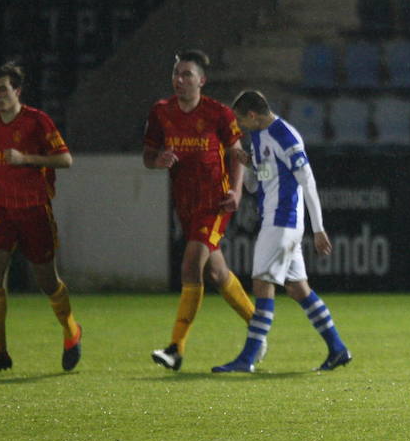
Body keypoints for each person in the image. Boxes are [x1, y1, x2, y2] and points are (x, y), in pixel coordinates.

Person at [212, 90, 351, 373]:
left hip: (282, 221)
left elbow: (308, 181)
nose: (239, 126)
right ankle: (337, 349)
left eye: (241, 120)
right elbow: (257, 184)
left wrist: (319, 228)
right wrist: (247, 165)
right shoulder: (259, 137)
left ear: (252, 115)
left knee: (263, 283)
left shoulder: (284, 136)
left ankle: (247, 359)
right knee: (298, 288)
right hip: (277, 221)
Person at [142, 50, 256, 371]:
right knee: (217, 273)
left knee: (191, 263)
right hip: (186, 205)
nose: (180, 80)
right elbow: (148, 156)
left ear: (202, 80)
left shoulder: (219, 114)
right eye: (176, 73)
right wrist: (158, 160)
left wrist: (235, 191)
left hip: (216, 203)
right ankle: (257, 327)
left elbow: (236, 154)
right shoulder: (161, 112)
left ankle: (175, 347)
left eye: (187, 74)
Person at [0, 64, 82, 373]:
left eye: (3, 89)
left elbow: (65, 159)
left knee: (47, 281)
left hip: (34, 209)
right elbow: (2, 155)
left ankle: (72, 330)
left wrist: (26, 160)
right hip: (2, 210)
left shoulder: (37, 120)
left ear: (17, 91)